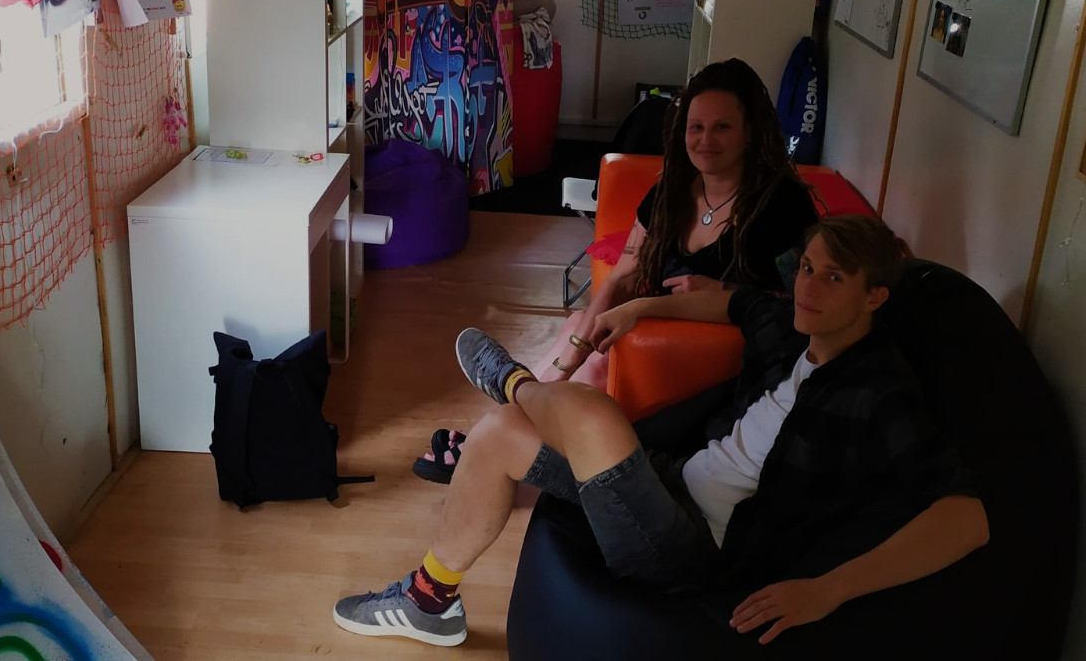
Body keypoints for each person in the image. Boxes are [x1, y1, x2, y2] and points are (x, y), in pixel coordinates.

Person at [334, 215, 988, 647]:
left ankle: (513, 380)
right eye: (808, 268)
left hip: (699, 549)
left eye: (833, 277)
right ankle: (428, 600)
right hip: (672, 483)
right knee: (500, 432)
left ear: (875, 297)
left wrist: (829, 589)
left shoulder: (878, 391)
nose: (808, 287)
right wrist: (640, 307)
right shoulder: (793, 328)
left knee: (589, 413)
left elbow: (967, 519)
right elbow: (732, 302)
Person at [415, 58, 819, 482]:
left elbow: (802, 304)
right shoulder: (672, 190)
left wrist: (724, 290)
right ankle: (503, 429)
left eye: (722, 127)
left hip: (720, 351)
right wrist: (573, 353)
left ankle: (495, 441)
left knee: (598, 364)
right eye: (696, 127)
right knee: (578, 329)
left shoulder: (781, 206)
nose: (705, 140)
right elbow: (625, 274)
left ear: (749, 131)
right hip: (655, 329)